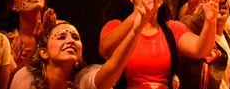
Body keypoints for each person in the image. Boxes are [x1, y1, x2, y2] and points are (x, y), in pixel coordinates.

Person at [98, 0, 230, 89]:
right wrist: (140, 11)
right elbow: (105, 49)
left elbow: (200, 50)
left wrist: (210, 21)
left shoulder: (172, 28)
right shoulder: (116, 25)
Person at [10, 12, 147, 89]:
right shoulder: (27, 78)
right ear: (44, 52)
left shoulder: (83, 79)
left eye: (75, 37)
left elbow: (113, 69)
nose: (70, 41)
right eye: (61, 37)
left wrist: (135, 31)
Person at [3, 0, 49, 71]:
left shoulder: (60, 30)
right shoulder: (5, 42)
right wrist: (33, 55)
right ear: (13, 5)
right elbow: (8, 81)